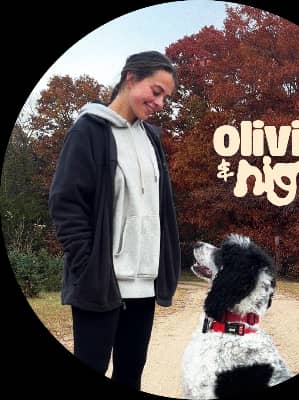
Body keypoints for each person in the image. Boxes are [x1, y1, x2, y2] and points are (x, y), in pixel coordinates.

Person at [48, 51, 181, 391]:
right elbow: (66, 203)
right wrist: (89, 265)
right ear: (130, 78)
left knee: (131, 374)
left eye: (165, 97)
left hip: (144, 285)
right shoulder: (88, 131)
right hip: (101, 283)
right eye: (156, 91)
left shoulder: (151, 139)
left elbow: (160, 207)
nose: (160, 103)